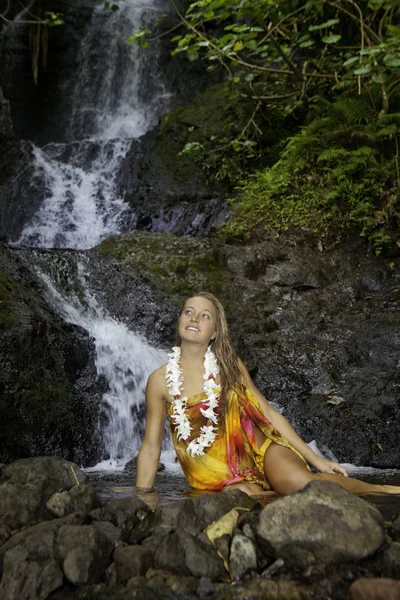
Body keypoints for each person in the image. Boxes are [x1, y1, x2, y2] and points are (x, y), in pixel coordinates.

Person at [136, 292, 400, 496]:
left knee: (303, 484)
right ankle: (269, 497)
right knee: (239, 496)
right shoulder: (159, 382)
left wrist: (316, 460)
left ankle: (384, 491)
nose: (194, 318)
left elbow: (267, 412)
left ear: (215, 332)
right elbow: (150, 448)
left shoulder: (229, 365)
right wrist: (142, 498)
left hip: (261, 449)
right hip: (214, 475)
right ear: (180, 319)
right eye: (188, 312)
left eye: (205, 316)